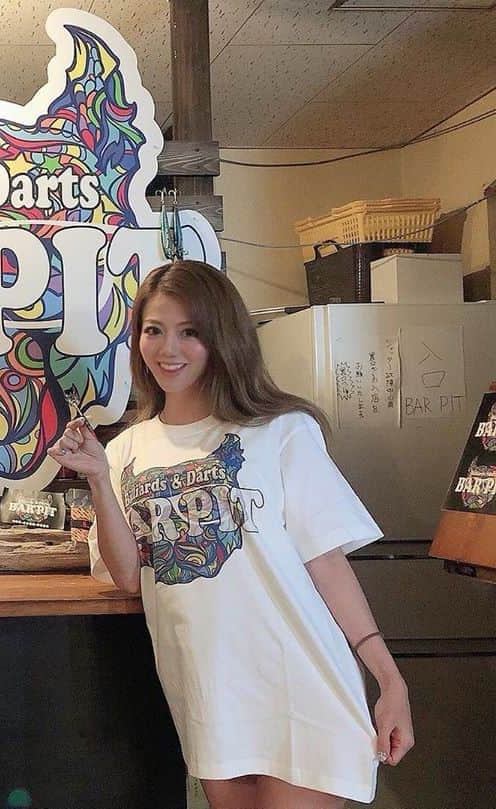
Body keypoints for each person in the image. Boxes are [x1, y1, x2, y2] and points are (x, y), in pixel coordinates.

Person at [48, 260, 413, 809]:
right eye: (154, 330)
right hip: (211, 701)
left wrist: (389, 680)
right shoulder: (124, 451)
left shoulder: (280, 430)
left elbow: (326, 564)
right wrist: (99, 477)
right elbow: (128, 576)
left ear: (222, 337)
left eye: (189, 332)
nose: (168, 349)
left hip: (301, 689)